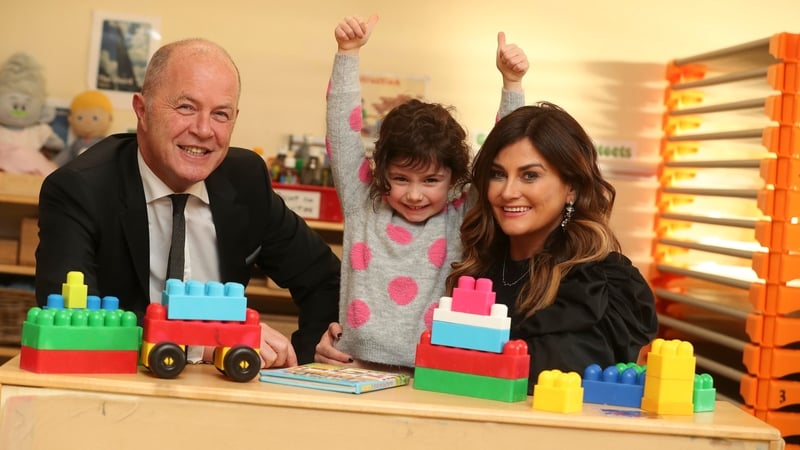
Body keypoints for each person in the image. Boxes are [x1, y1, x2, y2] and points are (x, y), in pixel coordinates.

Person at [35, 38, 341, 367]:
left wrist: (309, 359)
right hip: (119, 387)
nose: (203, 129)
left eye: (220, 114)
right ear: (142, 110)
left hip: (223, 390)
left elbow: (325, 280)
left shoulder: (246, 179)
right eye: (186, 107)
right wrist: (203, 343)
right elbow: (73, 319)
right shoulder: (80, 189)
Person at [315, 15, 529, 370]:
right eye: (400, 178)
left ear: (454, 180)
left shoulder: (460, 210)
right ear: (381, 171)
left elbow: (504, 152)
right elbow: (340, 130)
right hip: (353, 365)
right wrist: (348, 53)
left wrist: (512, 85)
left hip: (432, 371)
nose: (415, 195)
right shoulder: (363, 201)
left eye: (430, 181)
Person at [446, 102, 659, 391]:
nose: (508, 192)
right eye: (498, 174)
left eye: (530, 175)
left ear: (571, 187)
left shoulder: (601, 285)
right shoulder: (477, 266)